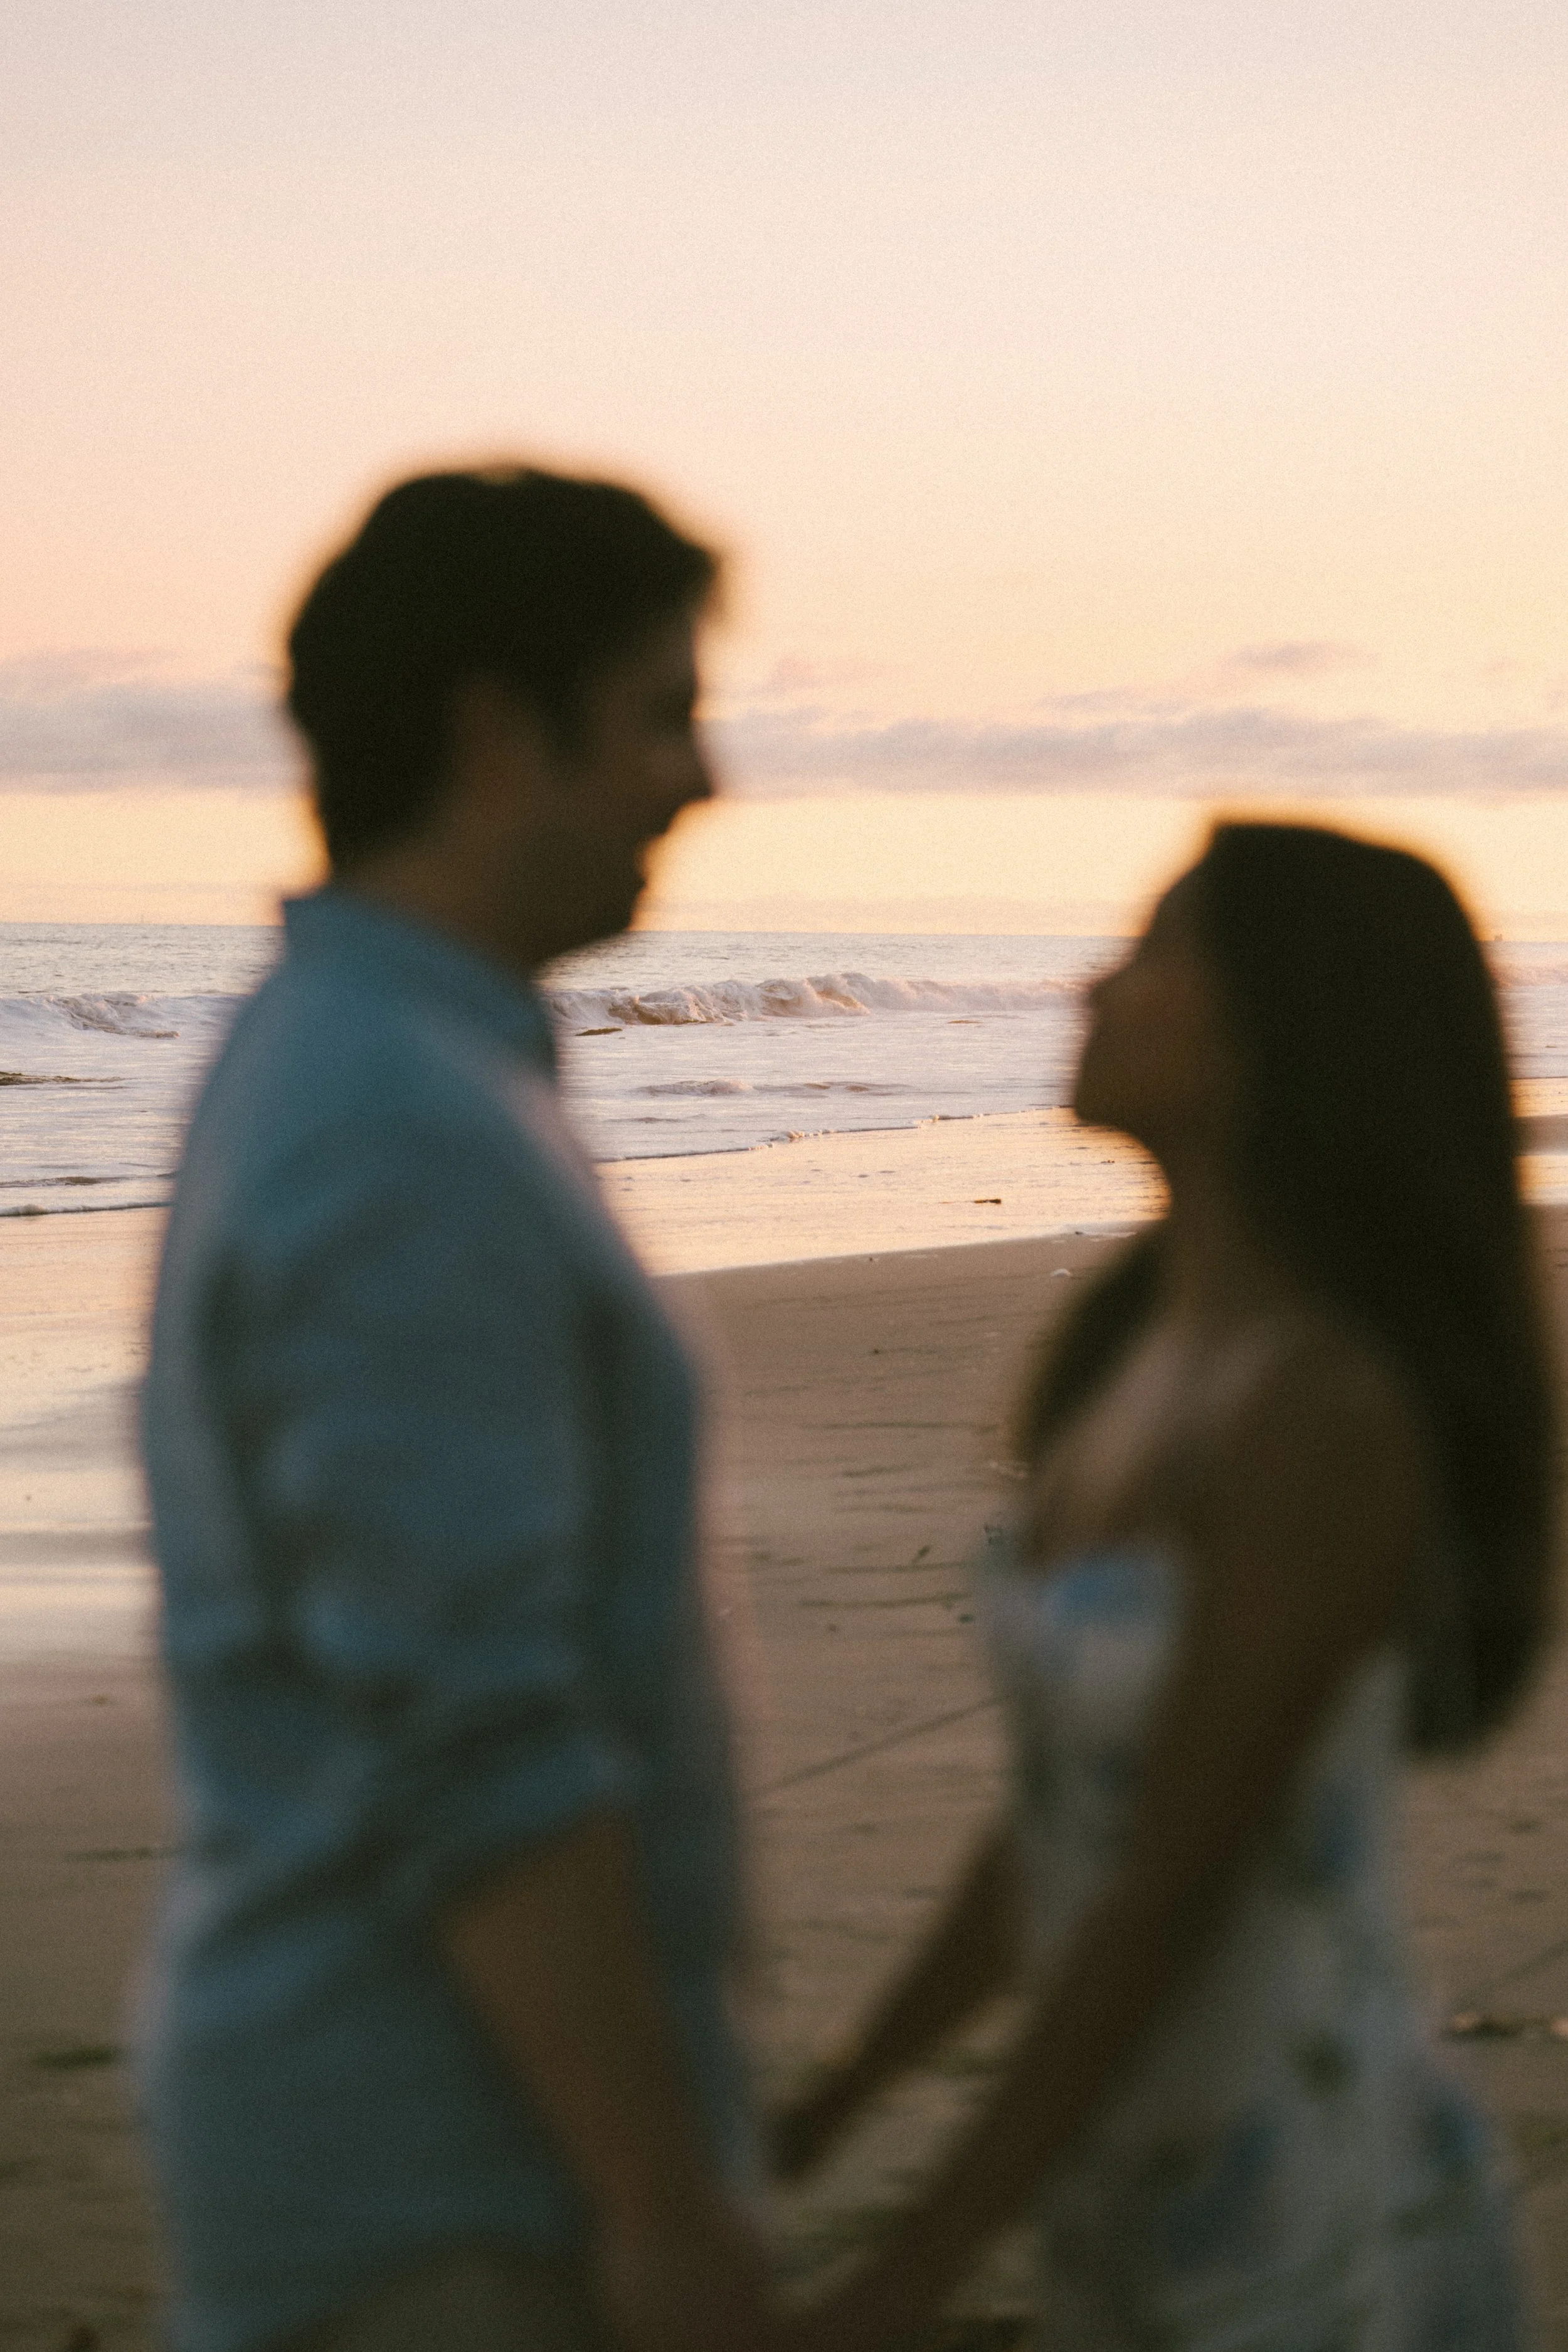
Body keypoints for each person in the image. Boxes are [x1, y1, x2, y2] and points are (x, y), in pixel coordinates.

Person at [138, 469, 778, 2352]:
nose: (701, 777)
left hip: (452, 2147)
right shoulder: (393, 1126)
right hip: (445, 2183)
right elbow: (470, 1725)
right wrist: (657, 2203)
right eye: (660, 709)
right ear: (498, 732)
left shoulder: (394, 1059)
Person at [775, 823, 1552, 2352]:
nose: (1094, 986)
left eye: (1155, 954)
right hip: (1130, 2167)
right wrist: (836, 2100)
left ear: (1285, 1032)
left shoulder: (1318, 1417)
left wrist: (921, 2258)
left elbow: (1171, 1881)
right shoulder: (1124, 1365)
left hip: (1303, 2199)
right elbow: (1064, 1820)